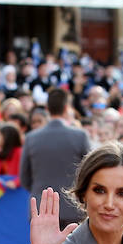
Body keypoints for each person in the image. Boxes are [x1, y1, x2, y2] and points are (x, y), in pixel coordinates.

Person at [19, 88, 92, 229]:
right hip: (73, 208)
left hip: (41, 208)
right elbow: (90, 172)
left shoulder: (31, 138)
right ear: (66, 108)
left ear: (47, 109)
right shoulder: (80, 136)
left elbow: (24, 178)